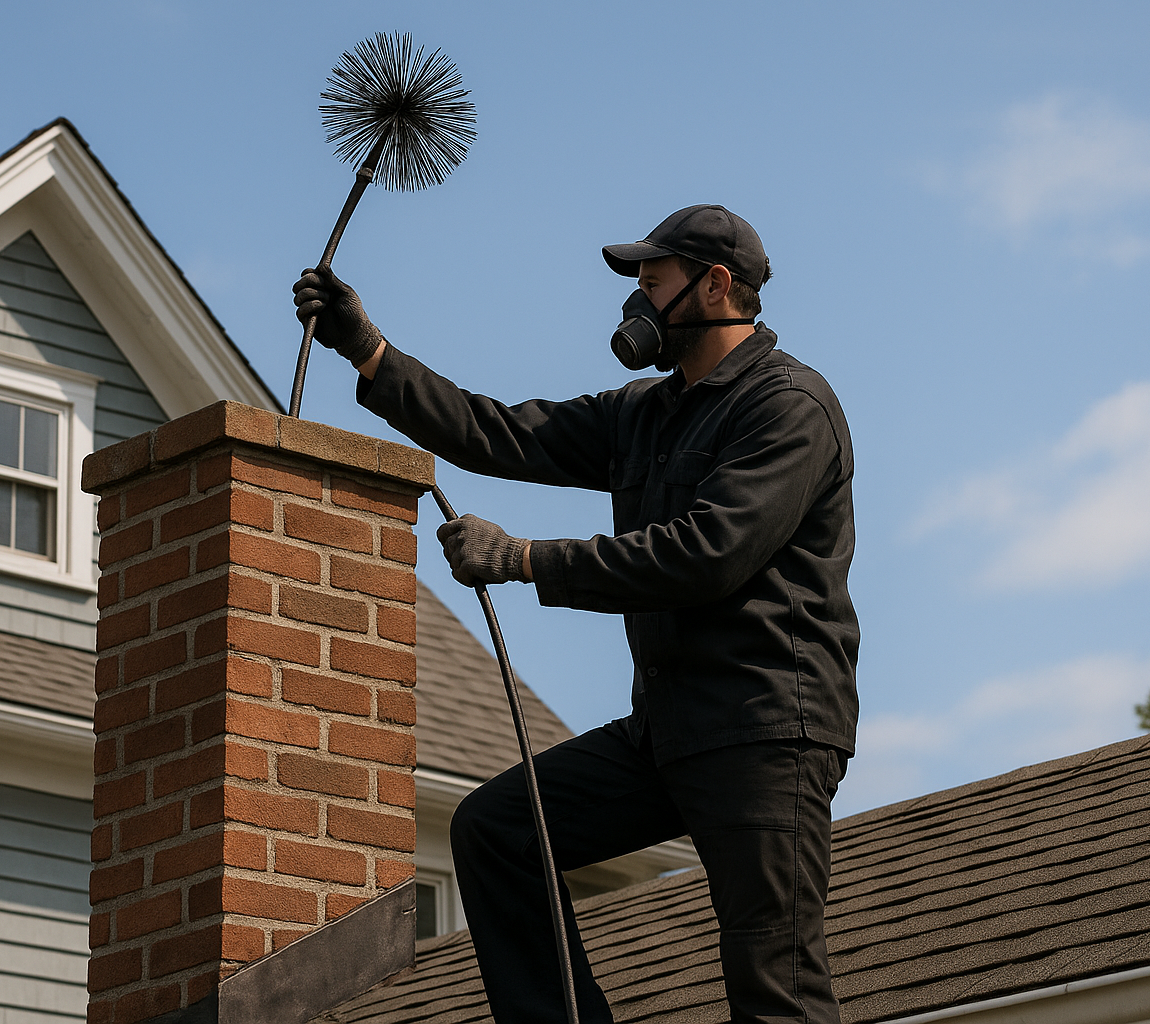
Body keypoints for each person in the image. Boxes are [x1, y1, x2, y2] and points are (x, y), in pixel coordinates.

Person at [293, 205, 859, 1024]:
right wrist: (368, 352)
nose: (635, 304)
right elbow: (500, 434)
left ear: (716, 285)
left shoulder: (789, 406)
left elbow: (706, 555)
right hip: (666, 732)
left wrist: (524, 558)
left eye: (651, 283)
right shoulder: (644, 413)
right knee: (498, 832)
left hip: (764, 732)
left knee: (776, 991)